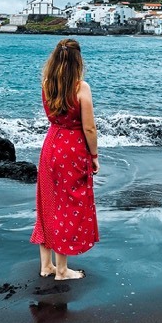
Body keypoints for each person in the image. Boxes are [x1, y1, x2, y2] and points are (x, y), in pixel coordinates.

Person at [30, 38, 100, 280]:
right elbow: (89, 128)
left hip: (51, 145)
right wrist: (94, 156)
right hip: (72, 148)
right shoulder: (81, 88)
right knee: (68, 206)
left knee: (47, 203)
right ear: (78, 60)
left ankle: (46, 265)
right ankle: (61, 270)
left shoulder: (47, 83)